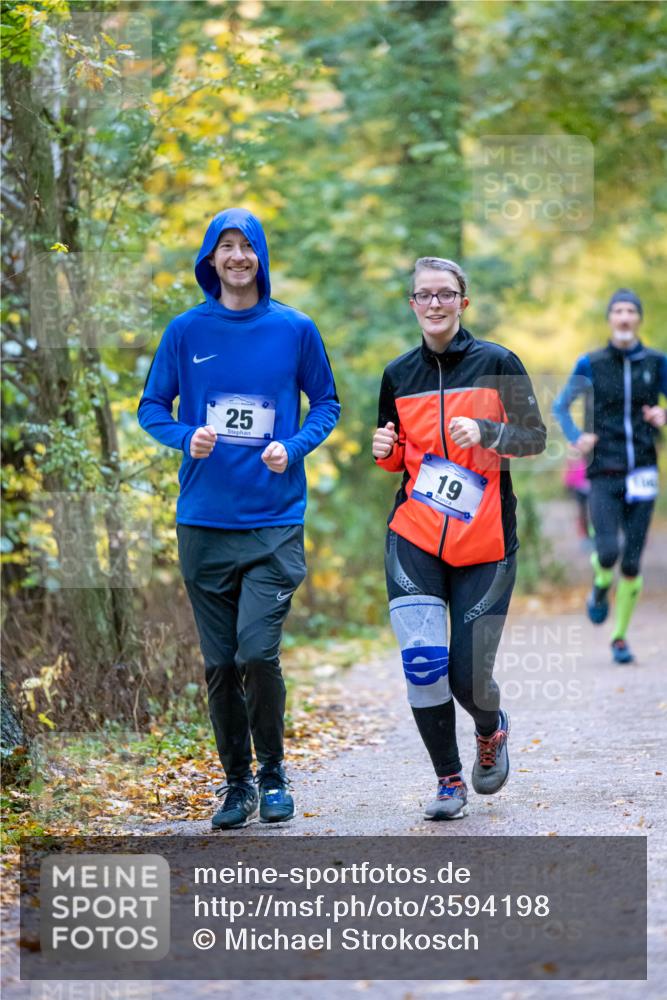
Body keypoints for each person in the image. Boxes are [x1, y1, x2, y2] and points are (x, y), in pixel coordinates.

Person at [138, 208, 340, 829]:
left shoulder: (295, 329)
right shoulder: (185, 332)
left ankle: (275, 773)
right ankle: (236, 785)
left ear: (260, 257)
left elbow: (326, 403)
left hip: (275, 519)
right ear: (210, 258)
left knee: (256, 651)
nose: (236, 257)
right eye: (225, 247)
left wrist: (295, 446)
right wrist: (185, 436)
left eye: (246, 246)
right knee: (220, 663)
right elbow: (151, 408)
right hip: (203, 520)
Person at [373, 257, 546, 820]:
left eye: (446, 294)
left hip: (486, 543)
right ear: (412, 304)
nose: (435, 304)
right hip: (415, 536)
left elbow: (535, 437)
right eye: (424, 295)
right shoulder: (398, 374)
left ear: (463, 303)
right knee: (424, 664)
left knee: (469, 677)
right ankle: (449, 782)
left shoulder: (498, 362)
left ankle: (491, 728)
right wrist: (387, 453)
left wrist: (489, 431)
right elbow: (400, 455)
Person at [552, 289, 667, 664]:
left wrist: (662, 418)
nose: (623, 316)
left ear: (638, 318)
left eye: (630, 310)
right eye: (617, 310)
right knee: (608, 552)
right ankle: (601, 587)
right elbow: (561, 406)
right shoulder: (591, 363)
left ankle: (619, 637)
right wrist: (576, 437)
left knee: (632, 563)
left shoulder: (656, 362)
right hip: (603, 471)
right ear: (610, 318)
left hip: (644, 471)